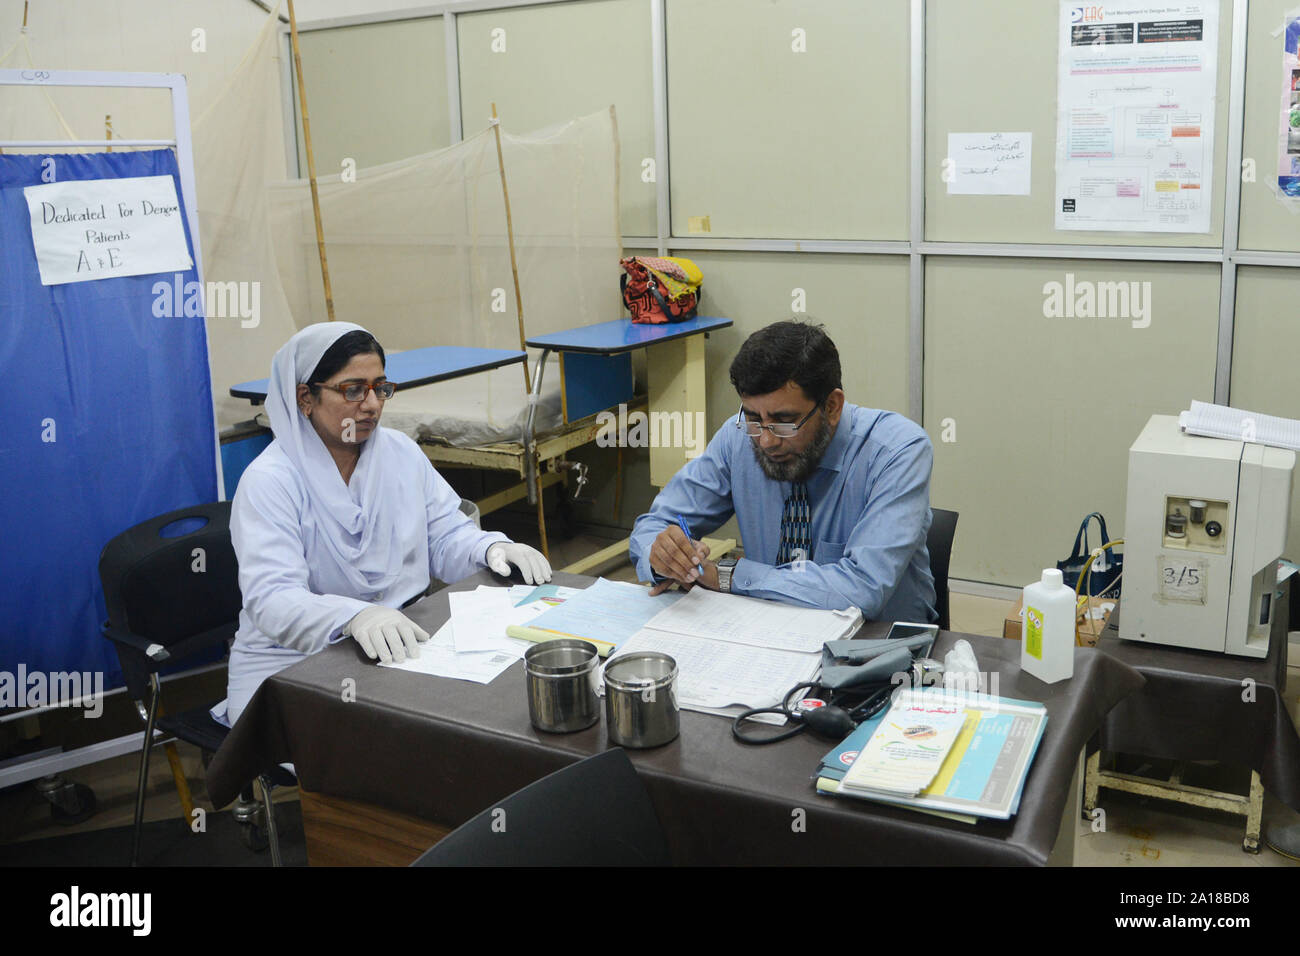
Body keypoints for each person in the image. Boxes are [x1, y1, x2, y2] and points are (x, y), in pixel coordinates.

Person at [212, 322, 550, 727]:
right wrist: (353, 617)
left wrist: (490, 550)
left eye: (380, 388)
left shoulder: (400, 453)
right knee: (390, 747)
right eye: (353, 389)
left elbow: (443, 537)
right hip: (293, 664)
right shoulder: (271, 481)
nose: (371, 405)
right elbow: (274, 601)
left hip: (398, 642)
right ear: (306, 397)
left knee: (489, 711)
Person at [629, 320, 936, 622]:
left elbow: (862, 589)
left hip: (877, 644)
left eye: (784, 421)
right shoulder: (738, 439)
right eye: (753, 418)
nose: (766, 440)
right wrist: (663, 556)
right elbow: (654, 525)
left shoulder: (898, 451)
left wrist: (728, 575)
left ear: (832, 407)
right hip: (772, 632)